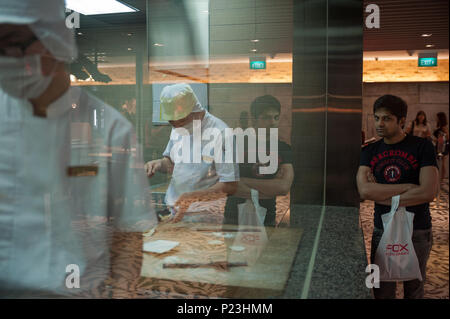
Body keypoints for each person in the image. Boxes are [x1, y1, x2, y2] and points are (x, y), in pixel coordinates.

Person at [0, 0, 155, 298]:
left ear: (53, 42)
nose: (4, 59)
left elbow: (129, 233)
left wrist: (123, 291)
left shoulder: (111, 129)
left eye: (12, 44)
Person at [356, 94, 439, 299]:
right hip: (381, 227)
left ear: (402, 121)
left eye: (387, 118)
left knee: (414, 289)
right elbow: (364, 191)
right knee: (381, 289)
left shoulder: (422, 147)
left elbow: (429, 192)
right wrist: (410, 187)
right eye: (376, 118)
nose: (379, 123)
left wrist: (382, 195)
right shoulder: (369, 150)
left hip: (417, 228)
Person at [145, 83, 238, 222]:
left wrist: (193, 197)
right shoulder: (178, 127)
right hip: (174, 211)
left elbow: (230, 185)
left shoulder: (221, 133)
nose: (177, 126)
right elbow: (171, 163)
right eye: (172, 123)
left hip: (205, 215)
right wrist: (158, 164)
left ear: (195, 110)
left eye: (181, 121)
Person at [223, 95, 294, 227]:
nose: (273, 122)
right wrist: (270, 187)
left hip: (267, 218)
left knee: (267, 248)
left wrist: (243, 181)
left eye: (276, 117)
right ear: (254, 119)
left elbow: (283, 187)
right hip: (234, 217)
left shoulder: (283, 148)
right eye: (266, 117)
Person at [433, 112, 449, 185]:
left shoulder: (444, 127)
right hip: (439, 145)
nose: (436, 118)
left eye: (437, 117)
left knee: (442, 163)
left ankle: (442, 179)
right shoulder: (440, 126)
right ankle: (440, 178)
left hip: (442, 147)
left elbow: (447, 137)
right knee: (440, 162)